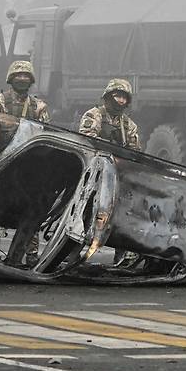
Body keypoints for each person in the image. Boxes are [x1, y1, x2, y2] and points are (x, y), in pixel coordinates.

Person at [0, 61, 50, 265]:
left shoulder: (39, 107)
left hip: (29, 166)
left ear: (31, 80)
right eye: (18, 75)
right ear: (10, 78)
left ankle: (31, 254)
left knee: (33, 209)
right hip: (1, 161)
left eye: (26, 76)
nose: (22, 79)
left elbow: (46, 134)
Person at [79, 78, 141, 266]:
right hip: (94, 174)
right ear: (108, 96)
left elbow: (135, 150)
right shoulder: (94, 115)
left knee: (120, 215)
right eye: (117, 96)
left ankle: (121, 256)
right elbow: (86, 140)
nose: (120, 101)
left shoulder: (128, 125)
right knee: (87, 215)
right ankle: (77, 252)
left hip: (116, 175)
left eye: (123, 97)